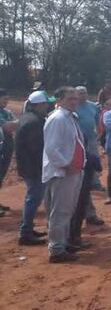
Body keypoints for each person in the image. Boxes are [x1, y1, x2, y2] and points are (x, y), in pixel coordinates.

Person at [43, 86, 86, 263]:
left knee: (67, 210)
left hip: (73, 171)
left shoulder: (70, 117)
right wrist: (66, 165)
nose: (74, 102)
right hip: (63, 172)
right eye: (70, 99)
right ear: (59, 100)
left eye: (76, 98)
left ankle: (63, 242)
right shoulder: (58, 119)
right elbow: (51, 148)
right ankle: (56, 249)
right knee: (60, 211)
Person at [15, 91, 50, 245]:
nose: (48, 106)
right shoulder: (34, 122)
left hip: (30, 166)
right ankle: (25, 232)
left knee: (33, 197)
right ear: (39, 105)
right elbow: (37, 149)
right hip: (34, 167)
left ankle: (27, 228)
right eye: (45, 103)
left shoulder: (30, 118)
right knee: (33, 198)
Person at [74, 86, 105, 225]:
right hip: (75, 145)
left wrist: (98, 133)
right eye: (80, 93)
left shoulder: (93, 106)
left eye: (85, 93)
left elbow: (99, 121)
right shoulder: (71, 109)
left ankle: (89, 214)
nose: (83, 95)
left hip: (90, 141)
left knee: (89, 171)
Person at [0, 88, 19, 215]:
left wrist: (14, 123)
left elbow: (12, 124)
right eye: (4, 98)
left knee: (1, 175)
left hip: (7, 146)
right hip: (2, 145)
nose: (7, 101)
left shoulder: (6, 112)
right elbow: (8, 127)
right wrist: (17, 122)